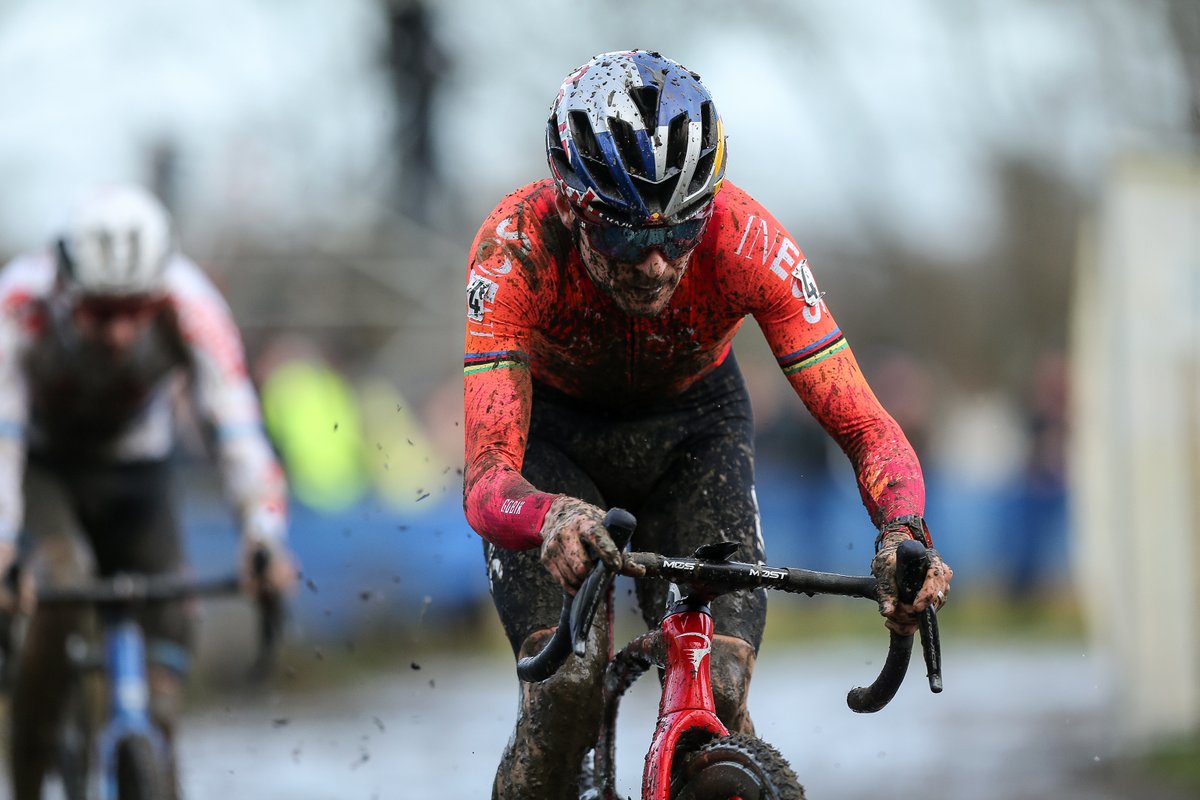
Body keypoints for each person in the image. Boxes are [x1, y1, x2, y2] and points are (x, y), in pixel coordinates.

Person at [461, 50, 954, 798]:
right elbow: (487, 479)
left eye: (681, 234)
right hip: (554, 447)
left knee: (718, 686)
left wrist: (903, 533)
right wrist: (546, 516)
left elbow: (865, 426)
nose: (658, 265)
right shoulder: (515, 247)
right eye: (627, 238)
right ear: (569, 201)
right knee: (567, 690)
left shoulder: (749, 241)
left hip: (694, 436)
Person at [0, 183, 297, 799]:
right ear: (65, 286)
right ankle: (26, 774)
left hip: (139, 472)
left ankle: (153, 747)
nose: (120, 333)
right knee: (61, 574)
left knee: (164, 672)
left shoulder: (191, 302)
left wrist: (263, 533)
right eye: (101, 313)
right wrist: (3, 541)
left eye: (137, 309)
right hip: (46, 468)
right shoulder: (21, 300)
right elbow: (3, 433)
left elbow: (233, 421)